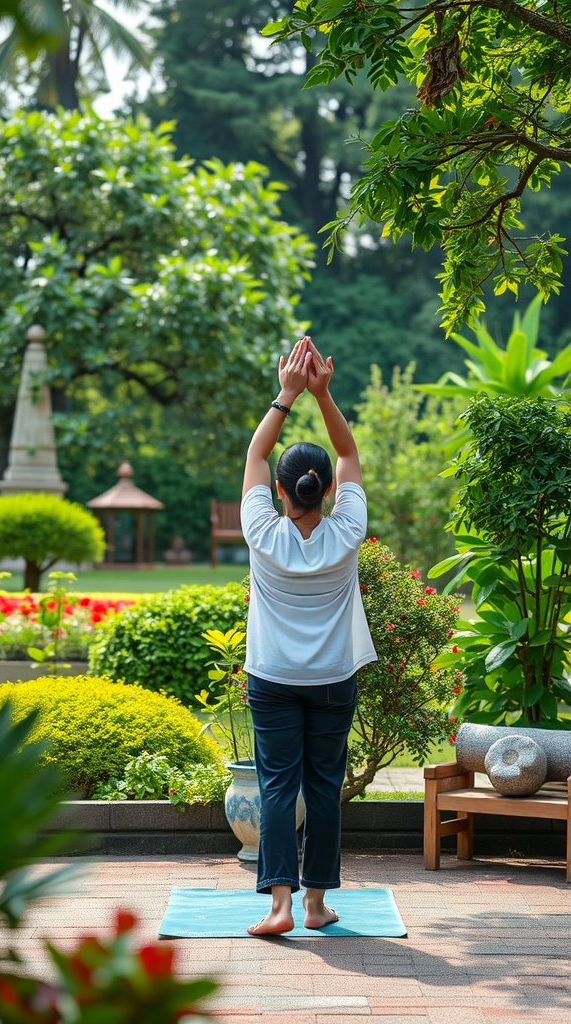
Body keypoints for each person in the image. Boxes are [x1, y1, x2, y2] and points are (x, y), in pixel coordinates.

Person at [240, 335, 377, 936]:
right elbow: (348, 456)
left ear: (279, 491)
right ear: (326, 491)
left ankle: (279, 908)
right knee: (323, 787)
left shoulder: (262, 535)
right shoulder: (346, 530)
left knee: (277, 788)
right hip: (331, 681)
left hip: (271, 679)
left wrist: (287, 393)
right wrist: (324, 395)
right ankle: (317, 905)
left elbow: (253, 457)